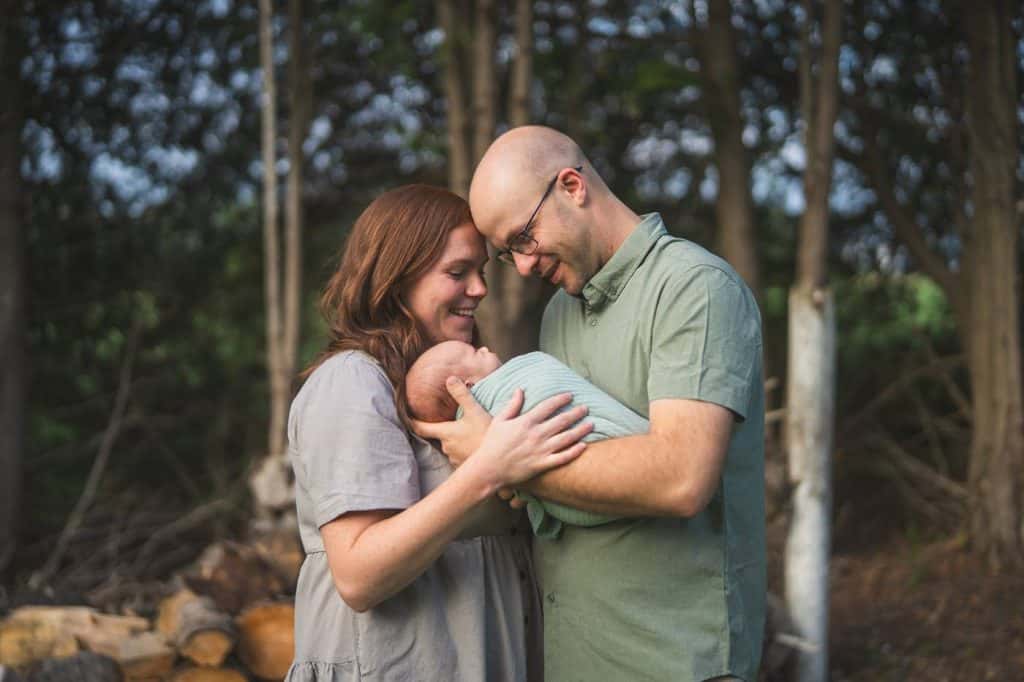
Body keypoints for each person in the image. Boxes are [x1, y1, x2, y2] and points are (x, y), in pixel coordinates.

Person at [414, 127, 766, 682]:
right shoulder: (560, 312)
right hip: (578, 657)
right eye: (508, 255)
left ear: (572, 186)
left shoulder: (692, 287)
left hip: (672, 663)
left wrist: (499, 460)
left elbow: (681, 478)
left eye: (522, 238)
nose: (523, 266)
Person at [285, 184, 594, 682]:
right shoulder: (354, 381)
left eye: (480, 271)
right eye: (457, 272)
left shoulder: (457, 386)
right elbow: (359, 575)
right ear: (395, 278)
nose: (479, 288)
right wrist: (488, 470)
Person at [405, 339, 649, 539]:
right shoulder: (502, 392)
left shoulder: (470, 438)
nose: (485, 348)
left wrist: (489, 453)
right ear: (469, 386)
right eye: (476, 353)